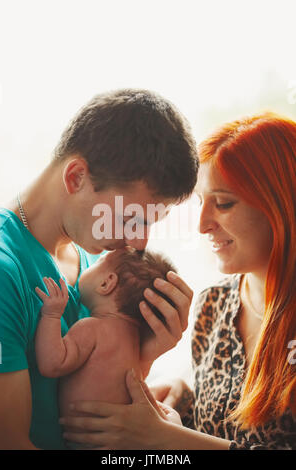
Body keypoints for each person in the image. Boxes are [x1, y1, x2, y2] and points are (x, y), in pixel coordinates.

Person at [59, 112, 296, 450]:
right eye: (201, 202)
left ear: (282, 206)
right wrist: (180, 396)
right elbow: (221, 423)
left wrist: (168, 439)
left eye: (224, 204)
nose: (202, 224)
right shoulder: (213, 304)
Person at [0, 88, 198, 450]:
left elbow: (93, 409)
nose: (138, 243)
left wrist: (144, 352)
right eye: (130, 219)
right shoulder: (2, 271)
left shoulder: (98, 266)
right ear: (76, 178)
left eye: (151, 222)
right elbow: (8, 441)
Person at [34, 247, 177, 449]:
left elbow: (51, 364)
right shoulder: (136, 342)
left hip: (88, 441)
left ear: (106, 283)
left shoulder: (92, 328)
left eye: (100, 261)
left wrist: (51, 316)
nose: (92, 261)